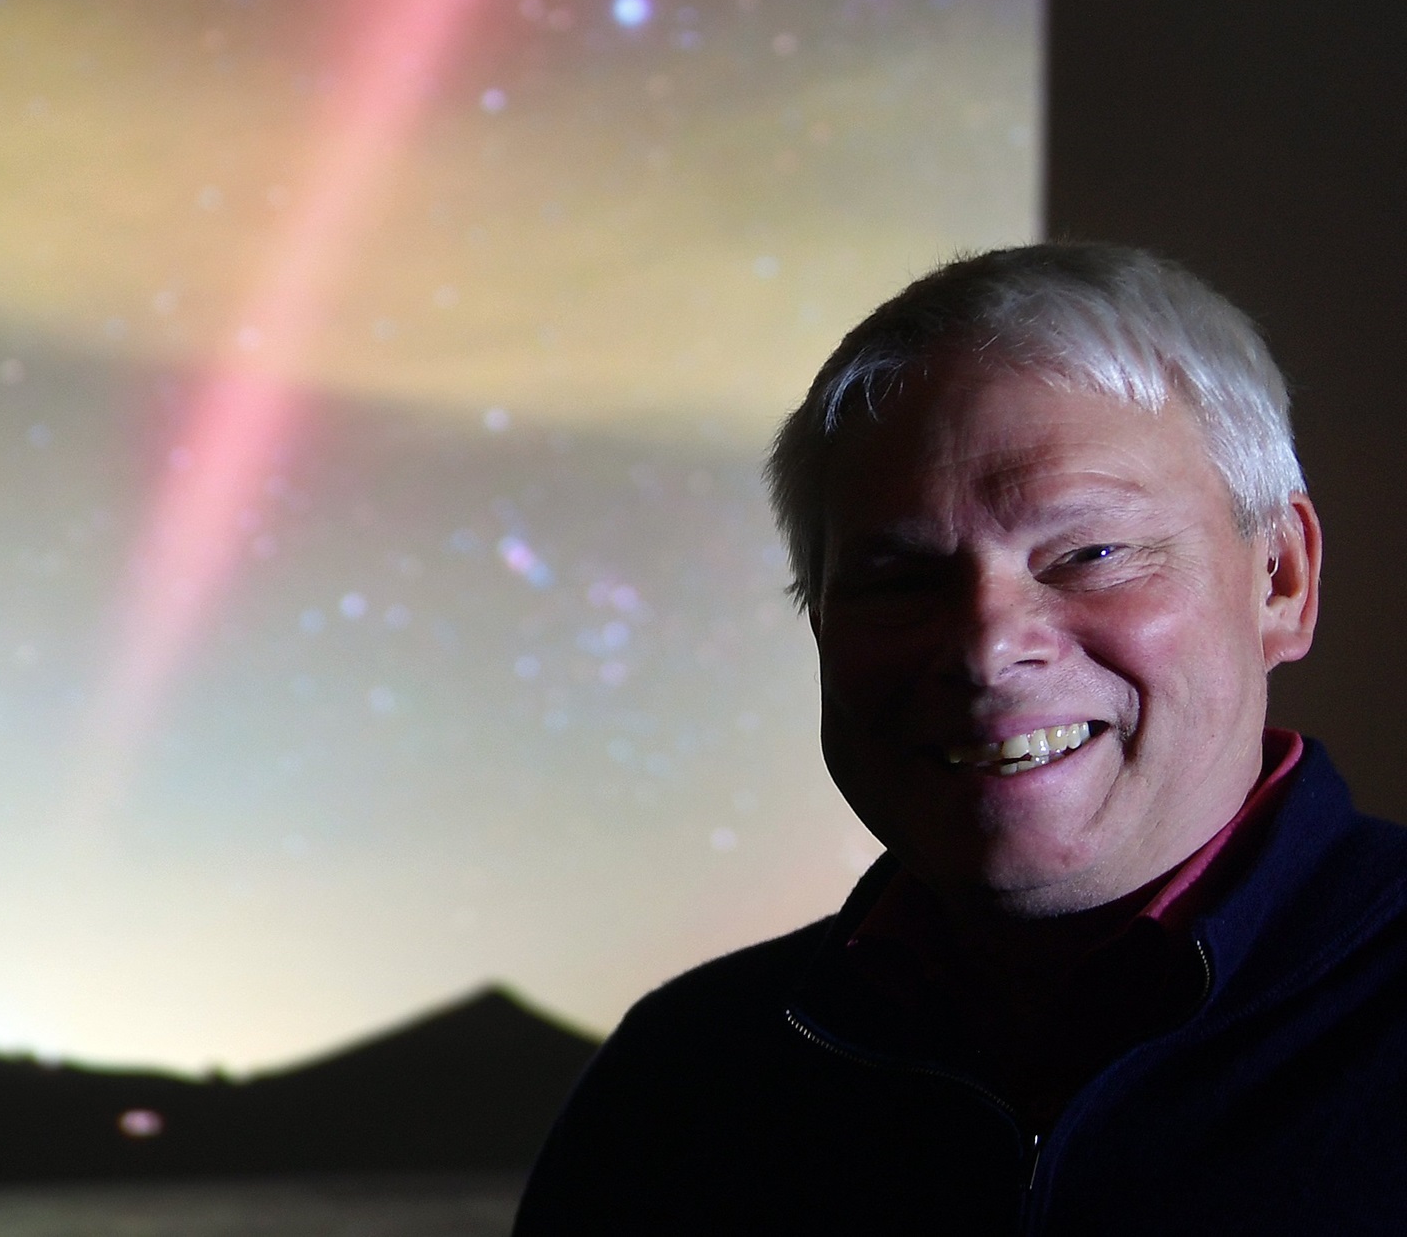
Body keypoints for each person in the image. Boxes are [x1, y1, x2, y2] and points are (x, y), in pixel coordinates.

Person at [514, 243, 1407, 1233]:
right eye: (899, 577)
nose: (986, 648)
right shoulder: (685, 1080)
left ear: (1280, 577)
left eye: (1089, 553)